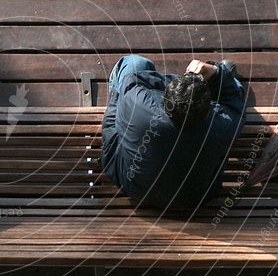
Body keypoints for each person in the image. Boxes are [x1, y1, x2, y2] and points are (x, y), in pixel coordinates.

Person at [100, 55, 246, 210]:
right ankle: (217, 77)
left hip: (135, 187)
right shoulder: (221, 124)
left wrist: (180, 84)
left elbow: (135, 78)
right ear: (207, 108)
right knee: (234, 84)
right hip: (196, 198)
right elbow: (233, 102)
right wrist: (215, 72)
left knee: (136, 63)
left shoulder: (137, 102)